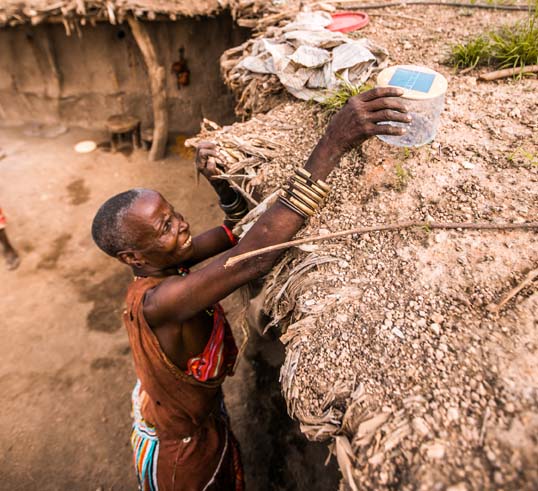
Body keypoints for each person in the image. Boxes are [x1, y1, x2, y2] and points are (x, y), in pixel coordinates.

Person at [91, 87, 409, 491]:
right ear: (133, 259)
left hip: (183, 411)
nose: (183, 226)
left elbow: (237, 234)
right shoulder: (160, 301)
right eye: (165, 227)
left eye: (174, 213)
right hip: (184, 453)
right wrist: (333, 142)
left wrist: (223, 188)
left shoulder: (172, 260)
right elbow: (255, 256)